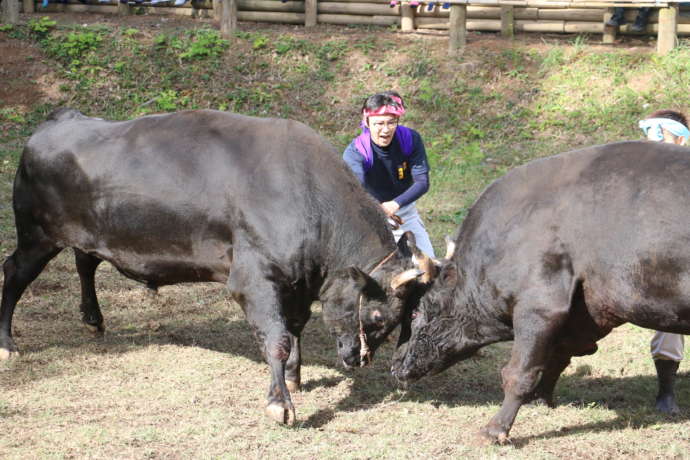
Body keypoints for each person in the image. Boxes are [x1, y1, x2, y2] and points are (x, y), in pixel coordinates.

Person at [638, 109, 689, 414]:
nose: (654, 143)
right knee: (671, 314)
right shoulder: (640, 175)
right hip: (659, 265)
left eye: (661, 136)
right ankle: (666, 392)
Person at [342, 91, 435, 257]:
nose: (385, 130)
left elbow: (422, 182)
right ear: (367, 122)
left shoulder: (410, 139)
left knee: (428, 264)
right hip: (371, 215)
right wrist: (381, 210)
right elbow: (357, 191)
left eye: (391, 123)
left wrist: (395, 204)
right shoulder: (356, 152)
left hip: (404, 210)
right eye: (379, 124)